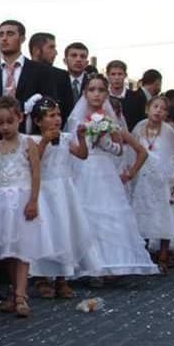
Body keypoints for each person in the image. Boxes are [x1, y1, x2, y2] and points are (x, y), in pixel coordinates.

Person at [67, 74, 158, 279]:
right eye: (92, 90)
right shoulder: (75, 119)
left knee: (110, 213)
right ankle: (89, 264)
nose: (96, 94)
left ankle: (111, 263)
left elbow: (119, 150)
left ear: (106, 94)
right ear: (85, 93)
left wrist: (105, 143)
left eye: (101, 90)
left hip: (105, 170)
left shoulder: (110, 119)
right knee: (85, 214)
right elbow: (71, 148)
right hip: (82, 170)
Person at [29, 96, 100, 298]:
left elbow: (82, 155)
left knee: (64, 230)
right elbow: (34, 161)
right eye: (51, 116)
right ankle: (42, 277)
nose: (57, 119)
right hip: (44, 190)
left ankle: (62, 277)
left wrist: (82, 138)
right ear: (38, 121)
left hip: (64, 190)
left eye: (58, 115)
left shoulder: (66, 138)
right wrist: (45, 140)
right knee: (46, 232)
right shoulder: (33, 140)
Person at [0, 97, 46, 318]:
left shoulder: (28, 143)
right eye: (0, 123)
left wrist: (33, 200)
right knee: (7, 250)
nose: (5, 127)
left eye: (10, 121)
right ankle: (14, 290)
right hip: (1, 203)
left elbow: (36, 173)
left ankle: (21, 294)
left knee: (22, 248)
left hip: (22, 200)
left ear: (19, 118)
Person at [130, 96, 174, 273]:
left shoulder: (169, 131)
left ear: (166, 114)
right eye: (155, 106)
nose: (158, 111)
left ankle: (163, 256)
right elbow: (131, 151)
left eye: (162, 109)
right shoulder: (139, 128)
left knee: (164, 215)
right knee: (142, 214)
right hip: (143, 178)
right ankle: (143, 254)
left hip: (162, 179)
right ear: (148, 108)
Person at [0, 21, 54, 132]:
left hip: (29, 133)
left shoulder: (40, 70)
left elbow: (49, 105)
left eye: (10, 34)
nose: (4, 38)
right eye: (1, 34)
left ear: (22, 38)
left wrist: (28, 107)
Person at [28, 32, 74, 120]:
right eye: (51, 47)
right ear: (36, 50)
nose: (56, 53)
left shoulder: (62, 76)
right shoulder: (21, 72)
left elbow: (68, 110)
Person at [63, 42, 90, 109]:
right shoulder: (57, 83)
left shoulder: (91, 83)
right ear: (65, 61)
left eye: (83, 56)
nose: (79, 59)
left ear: (87, 62)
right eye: (74, 55)